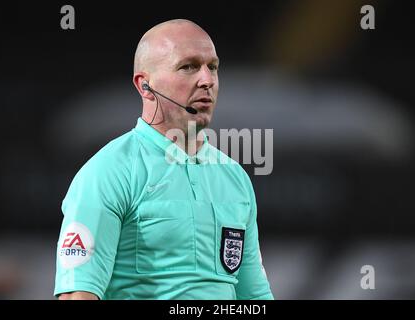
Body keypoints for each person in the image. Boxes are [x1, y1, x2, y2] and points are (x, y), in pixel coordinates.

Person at [54, 19, 274, 300]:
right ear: (145, 86)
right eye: (189, 67)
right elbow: (77, 296)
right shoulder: (108, 172)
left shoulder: (235, 178)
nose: (207, 80)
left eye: (213, 67)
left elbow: (255, 298)